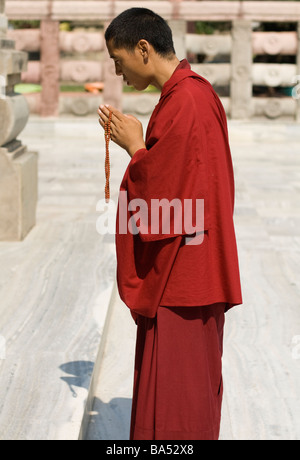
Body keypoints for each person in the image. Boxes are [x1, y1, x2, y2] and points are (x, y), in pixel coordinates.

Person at [98, 8, 242, 441]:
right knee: (176, 394)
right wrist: (143, 148)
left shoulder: (187, 101)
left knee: (179, 405)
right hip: (187, 268)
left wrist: (136, 149)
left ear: (143, 48)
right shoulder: (187, 96)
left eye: (118, 59)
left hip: (185, 277)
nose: (117, 71)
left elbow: (168, 199)